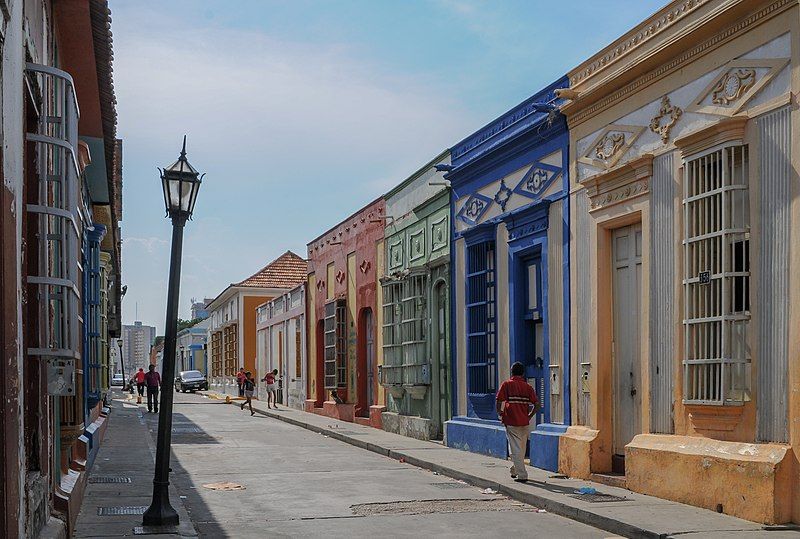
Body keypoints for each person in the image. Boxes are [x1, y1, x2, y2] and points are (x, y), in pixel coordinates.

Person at [496, 362, 540, 483]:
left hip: (511, 420)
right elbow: (537, 404)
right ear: (523, 373)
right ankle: (515, 469)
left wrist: (500, 413)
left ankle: (522, 474)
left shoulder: (507, 385)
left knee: (514, 449)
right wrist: (529, 415)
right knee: (521, 447)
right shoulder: (528, 387)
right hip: (524, 421)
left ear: (512, 372)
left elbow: (499, 400)